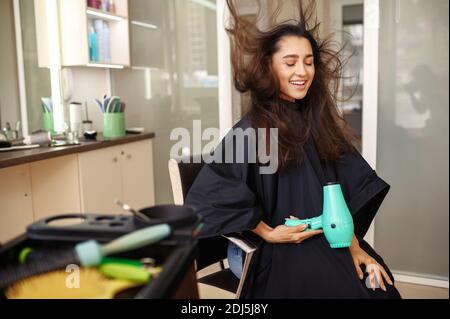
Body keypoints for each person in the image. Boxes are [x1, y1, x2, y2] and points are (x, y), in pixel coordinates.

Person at [186, 0, 401, 299]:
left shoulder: (316, 123)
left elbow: (342, 196)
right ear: (269, 67)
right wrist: (268, 232)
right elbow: (207, 199)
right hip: (270, 249)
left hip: (322, 239)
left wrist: (353, 247)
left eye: (309, 61)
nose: (302, 71)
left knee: (381, 287)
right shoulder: (251, 129)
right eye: (290, 62)